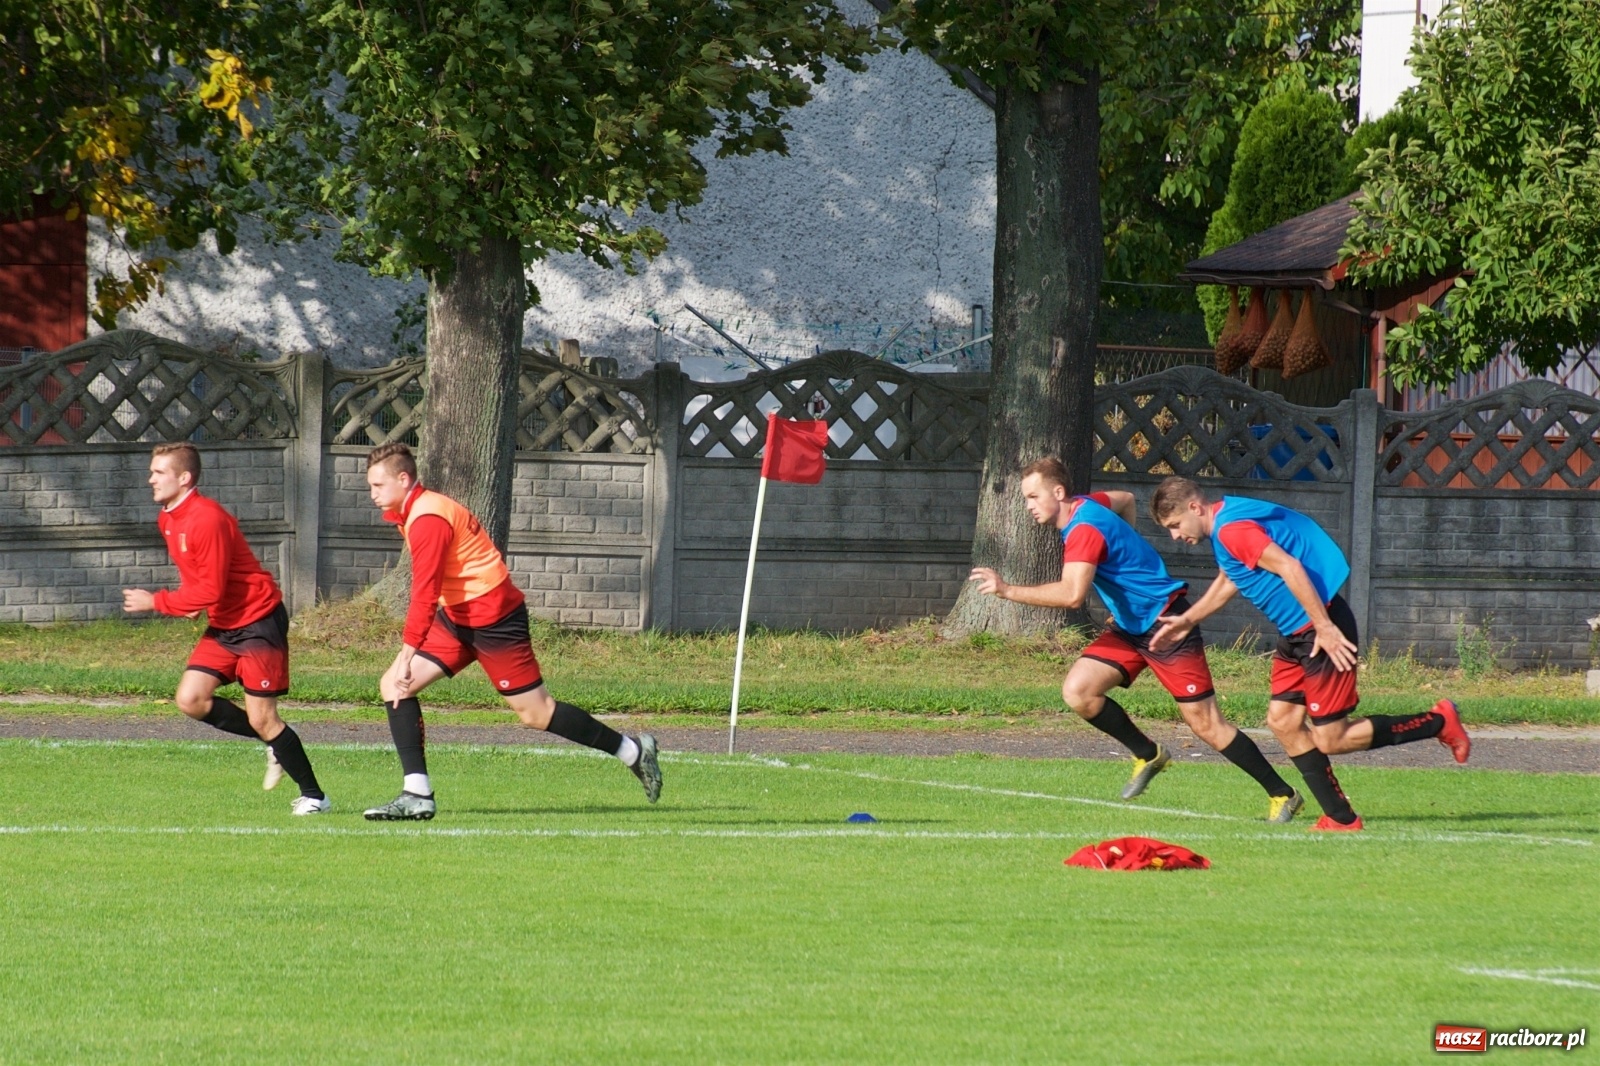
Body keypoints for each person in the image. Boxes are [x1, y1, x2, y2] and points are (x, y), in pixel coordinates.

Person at [968, 458, 1305, 821]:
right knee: (1079, 692)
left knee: (1206, 724)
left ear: (1059, 492)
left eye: (1033, 496)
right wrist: (1129, 562)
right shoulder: (1089, 504)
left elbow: (1071, 595)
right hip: (1131, 627)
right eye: (1026, 498)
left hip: (1167, 622)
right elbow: (1126, 498)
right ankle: (1148, 753)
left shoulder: (1083, 529)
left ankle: (1282, 794)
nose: (1029, 505)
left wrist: (1006, 590)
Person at [1148, 476, 1470, 832]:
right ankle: (1340, 818)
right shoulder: (1228, 520)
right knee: (1283, 721)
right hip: (1297, 634)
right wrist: (1187, 620)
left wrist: (1325, 627)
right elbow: (1231, 578)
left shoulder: (1231, 531)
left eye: (1176, 525)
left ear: (1195, 507)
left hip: (1318, 630)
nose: (1176, 536)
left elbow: (1289, 566)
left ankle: (1439, 721)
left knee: (1332, 737)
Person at [361, 442, 661, 820]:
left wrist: (407, 655)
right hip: (457, 616)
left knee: (537, 714)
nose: (372, 494)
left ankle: (633, 751)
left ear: (403, 480)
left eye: (377, 485)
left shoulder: (428, 518)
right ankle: (417, 794)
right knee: (393, 686)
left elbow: (423, 593)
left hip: (494, 617)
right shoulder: (419, 509)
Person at [122, 442, 329, 814]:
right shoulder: (168, 517)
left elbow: (212, 588)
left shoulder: (207, 518)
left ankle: (315, 797)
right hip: (225, 624)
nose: (150, 479)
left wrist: (159, 601)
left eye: (158, 472)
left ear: (184, 478)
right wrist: (191, 602)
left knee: (264, 717)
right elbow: (200, 577)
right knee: (191, 699)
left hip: (257, 621)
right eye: (151, 471)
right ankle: (273, 744)